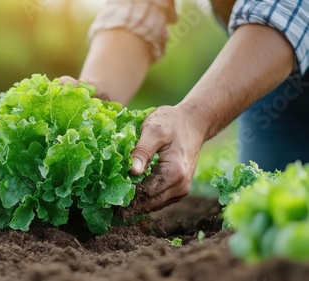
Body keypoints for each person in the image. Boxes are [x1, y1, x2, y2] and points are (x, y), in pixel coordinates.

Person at [60, 0, 309, 211]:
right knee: (270, 218)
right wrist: (97, 93)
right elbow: (136, 8)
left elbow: (290, 10)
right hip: (275, 77)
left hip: (275, 44)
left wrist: (193, 119)